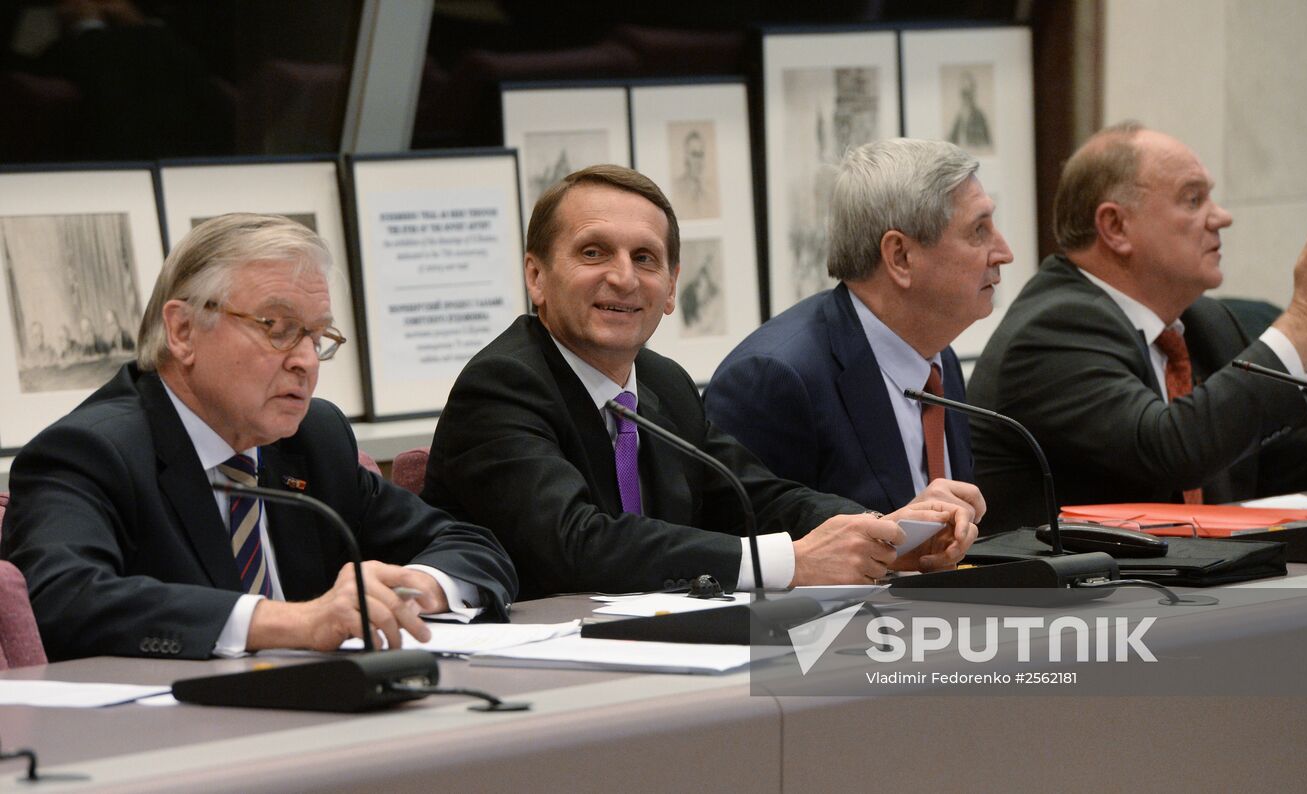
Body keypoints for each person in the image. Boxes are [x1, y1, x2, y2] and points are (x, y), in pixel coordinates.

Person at [420, 165, 977, 600]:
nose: (622, 276)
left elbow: (757, 497)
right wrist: (790, 563)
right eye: (593, 253)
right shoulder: (503, 385)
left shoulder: (663, 383)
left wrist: (882, 536)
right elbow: (576, 545)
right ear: (536, 276)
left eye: (645, 258)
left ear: (670, 289)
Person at [1, 213, 517, 661]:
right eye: (278, 327)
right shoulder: (90, 451)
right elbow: (59, 598)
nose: (306, 361)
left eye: (317, 337)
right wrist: (291, 623)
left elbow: (468, 544)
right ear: (182, 331)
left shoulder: (314, 438)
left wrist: (418, 588)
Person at [967, 122, 1307, 533]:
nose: (1221, 217)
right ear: (1116, 227)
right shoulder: (1054, 330)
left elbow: (1306, 448)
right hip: (1074, 605)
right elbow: (1173, 449)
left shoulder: (1203, 323)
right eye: (1193, 200)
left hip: (1193, 596)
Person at [707, 139, 1000, 519]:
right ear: (900, 257)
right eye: (979, 231)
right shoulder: (773, 378)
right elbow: (751, 552)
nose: (1004, 252)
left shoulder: (937, 358)